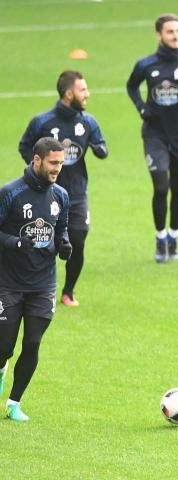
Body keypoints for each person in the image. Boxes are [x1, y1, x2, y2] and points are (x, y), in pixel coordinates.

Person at [126, 13, 178, 263]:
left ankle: (173, 235)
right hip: (154, 135)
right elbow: (131, 86)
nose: (175, 36)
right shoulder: (146, 65)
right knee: (161, 185)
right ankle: (160, 236)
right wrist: (142, 107)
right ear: (159, 35)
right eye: (170, 32)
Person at [18, 70, 107, 307]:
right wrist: (37, 171)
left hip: (76, 194)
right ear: (69, 94)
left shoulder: (88, 122)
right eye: (83, 89)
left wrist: (100, 149)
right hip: (44, 193)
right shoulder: (42, 122)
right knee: (39, 241)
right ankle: (35, 289)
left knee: (77, 241)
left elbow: (102, 146)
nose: (87, 94)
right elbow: (25, 146)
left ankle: (68, 291)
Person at [0, 138, 72, 422]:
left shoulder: (61, 196)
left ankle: (14, 403)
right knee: (4, 346)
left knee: (32, 343)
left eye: (61, 164)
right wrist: (17, 243)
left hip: (43, 285)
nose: (57, 169)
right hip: (8, 283)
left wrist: (64, 245)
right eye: (53, 163)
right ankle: (2, 365)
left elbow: (61, 228)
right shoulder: (10, 193)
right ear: (37, 159)